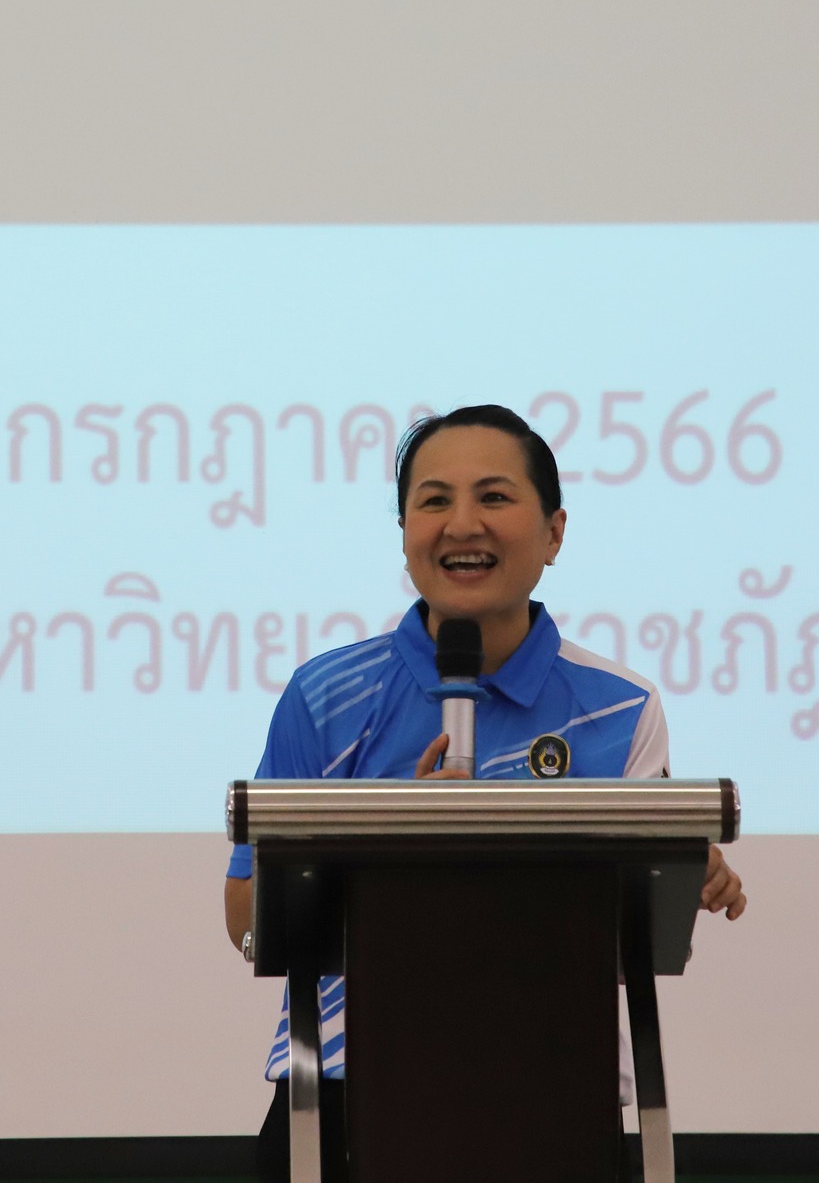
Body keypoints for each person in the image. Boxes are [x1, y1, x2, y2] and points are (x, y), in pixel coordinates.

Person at [223, 404, 747, 1180]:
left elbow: (635, 923)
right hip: (339, 1092)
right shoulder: (325, 695)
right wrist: (394, 847)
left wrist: (676, 867)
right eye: (434, 500)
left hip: (553, 1086)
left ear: (554, 532)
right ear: (404, 532)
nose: (462, 524)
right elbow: (246, 916)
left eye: (495, 497)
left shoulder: (620, 707)